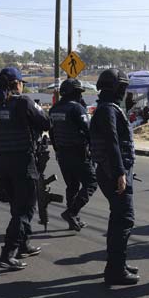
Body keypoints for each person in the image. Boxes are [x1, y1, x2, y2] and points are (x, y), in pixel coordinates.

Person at [0, 67, 50, 270]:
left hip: (2, 162)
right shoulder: (23, 102)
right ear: (16, 84)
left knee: (17, 206)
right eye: (22, 83)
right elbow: (46, 123)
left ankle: (24, 244)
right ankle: (8, 254)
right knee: (24, 210)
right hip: (22, 161)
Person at [90, 69, 139, 286]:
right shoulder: (108, 110)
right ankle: (116, 270)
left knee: (118, 218)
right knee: (124, 219)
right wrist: (120, 172)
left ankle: (117, 264)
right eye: (123, 87)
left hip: (110, 170)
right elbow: (112, 142)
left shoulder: (106, 108)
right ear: (117, 88)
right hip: (114, 172)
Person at [50, 79, 97, 233]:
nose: (80, 95)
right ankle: (72, 212)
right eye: (79, 92)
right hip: (78, 153)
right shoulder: (77, 108)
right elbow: (88, 130)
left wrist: (57, 150)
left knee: (72, 186)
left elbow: (51, 132)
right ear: (74, 93)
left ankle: (73, 219)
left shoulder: (54, 109)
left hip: (62, 154)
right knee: (91, 183)